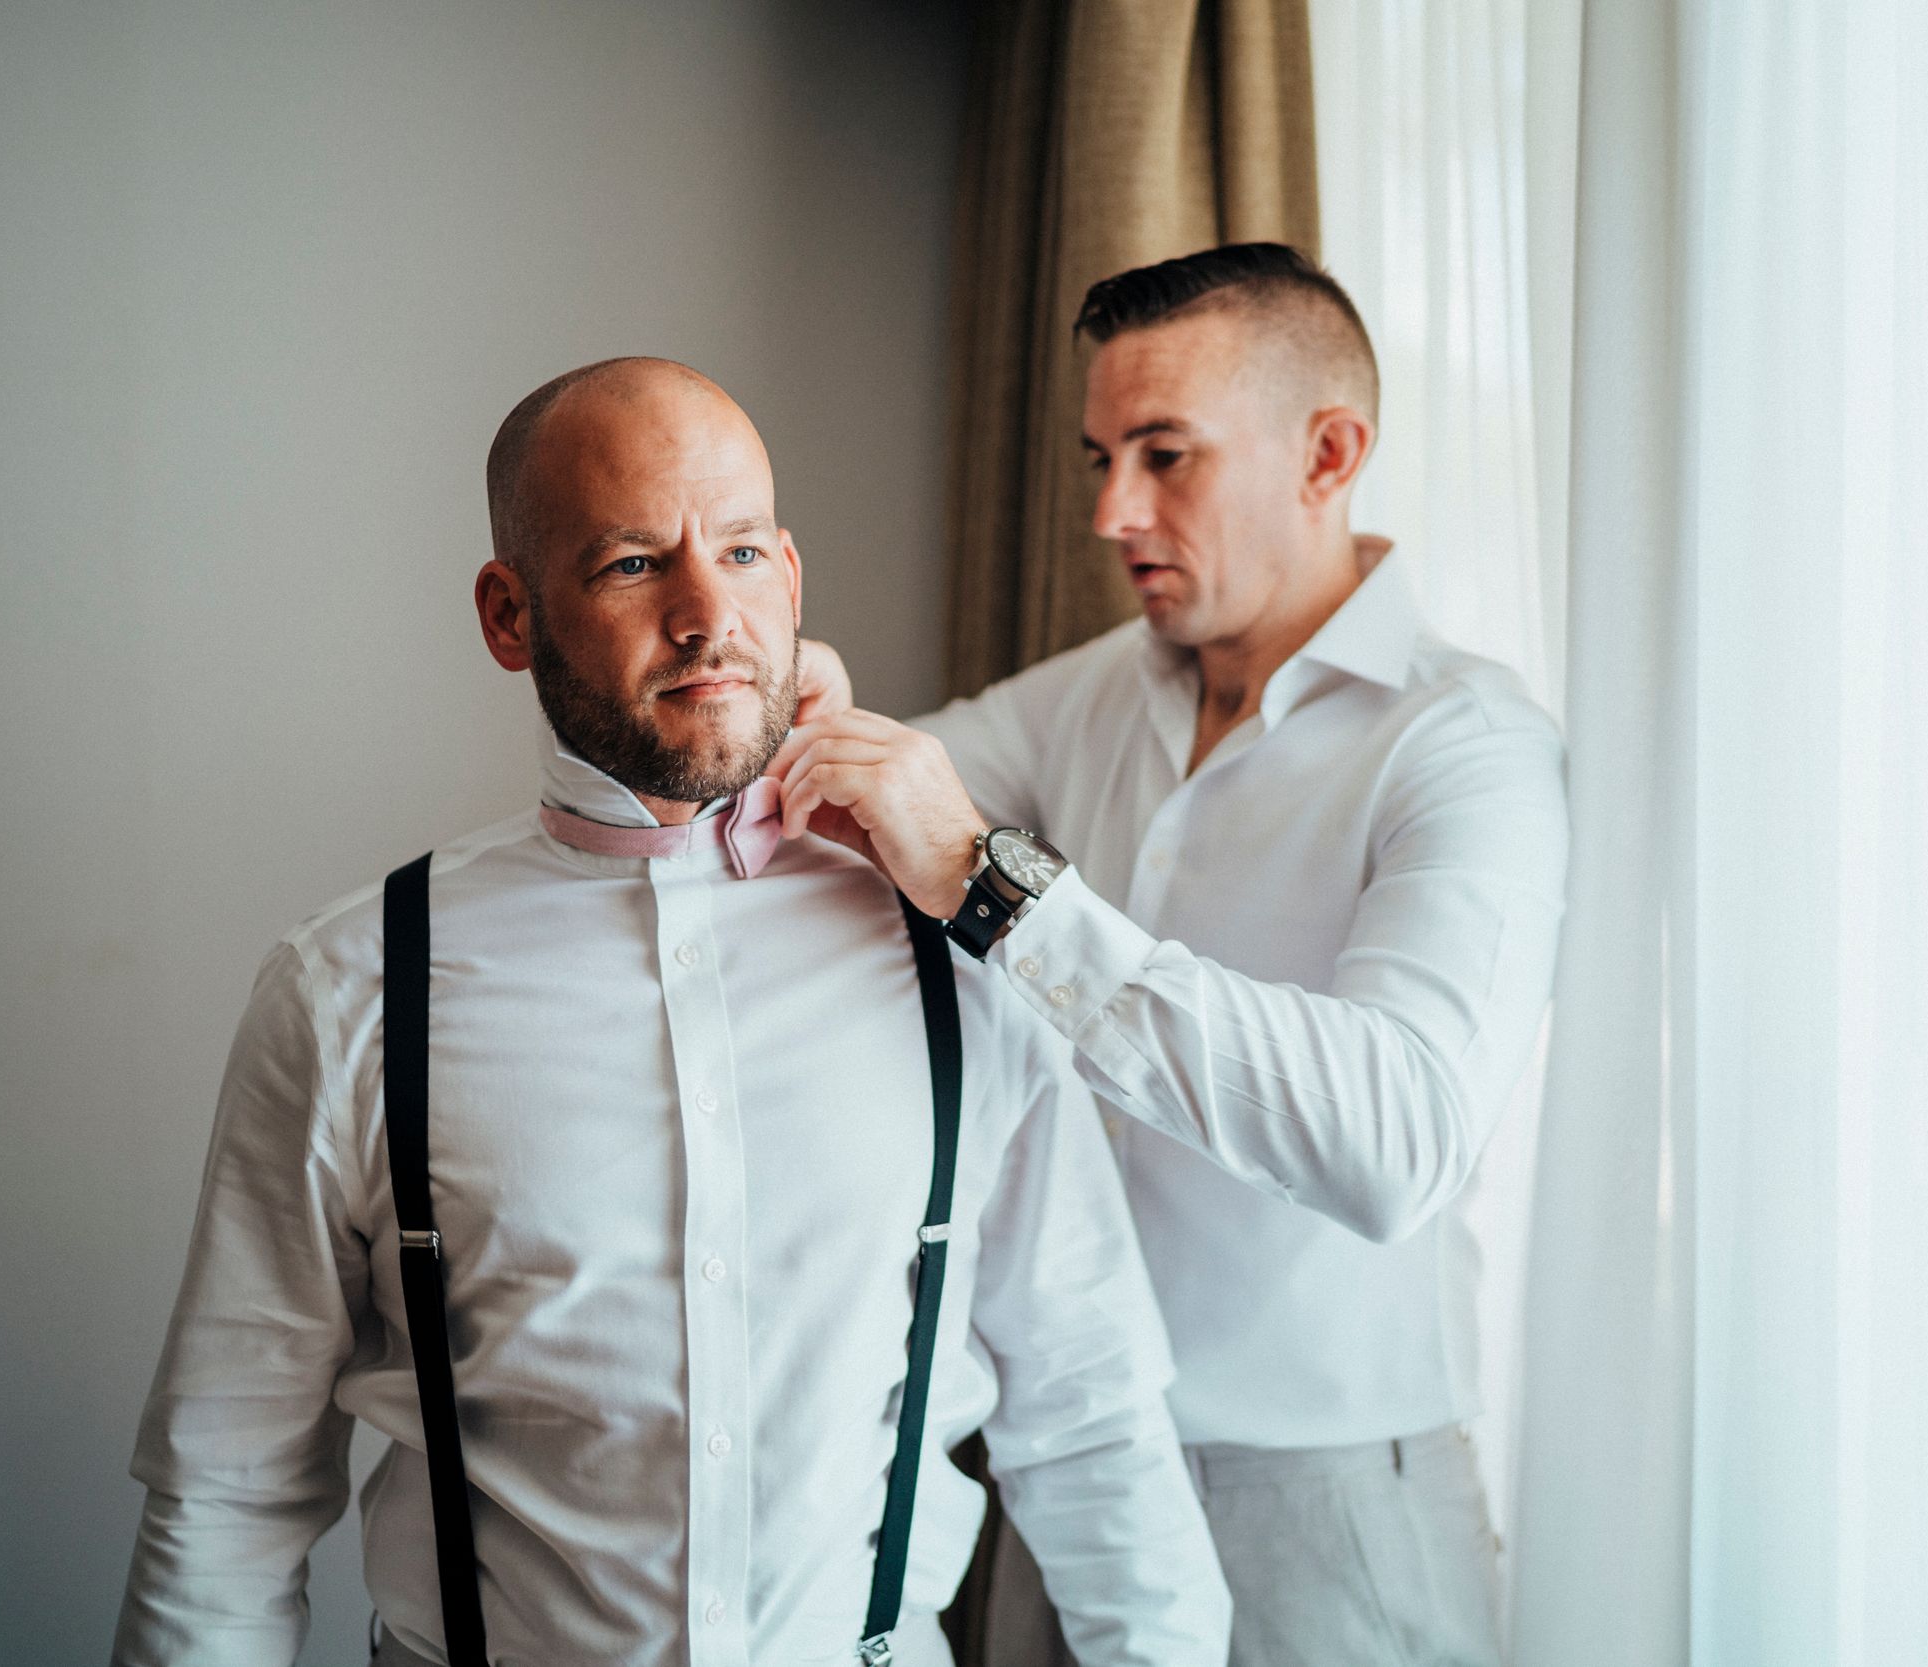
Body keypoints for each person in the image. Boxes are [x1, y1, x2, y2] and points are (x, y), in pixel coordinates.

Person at [108, 357, 1229, 1667]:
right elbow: (228, 1493)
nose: (710, 616)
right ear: (509, 616)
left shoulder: (961, 959)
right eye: (636, 563)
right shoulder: (350, 989)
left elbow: (1095, 1430)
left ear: (789, 579)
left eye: (742, 552)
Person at [775, 245, 1570, 1666]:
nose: (1111, 514)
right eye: (1102, 460)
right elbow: (859, 813)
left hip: (1330, 1510)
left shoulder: (1467, 746)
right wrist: (802, 717)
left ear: (1329, 454)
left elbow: (1400, 1138)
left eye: (1166, 456)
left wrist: (1002, 892)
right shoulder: (1090, 696)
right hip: (1069, 1476)